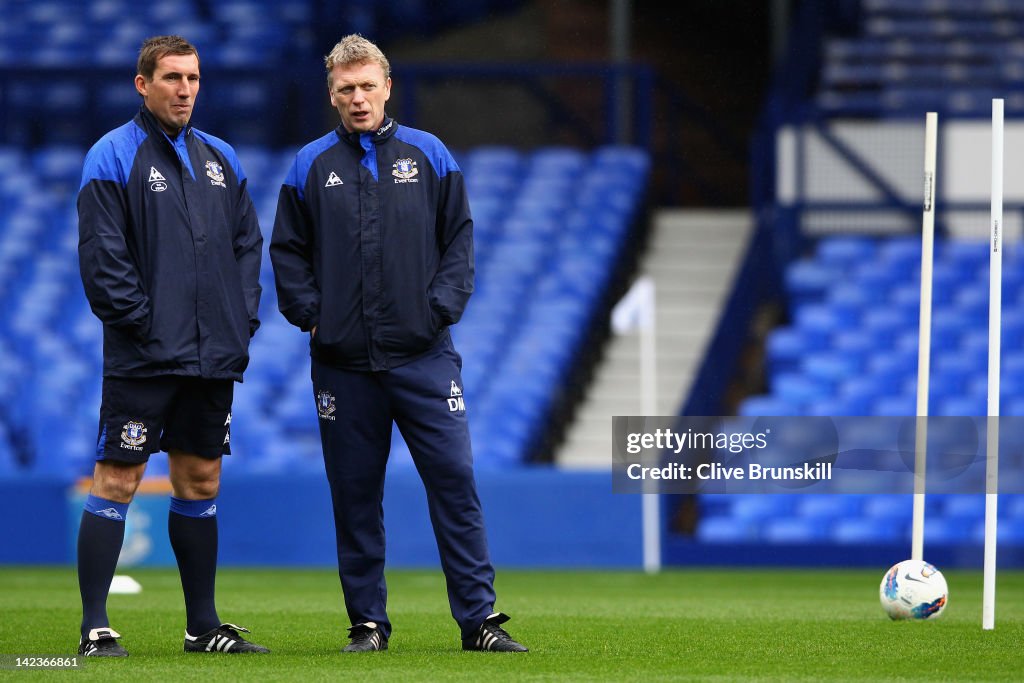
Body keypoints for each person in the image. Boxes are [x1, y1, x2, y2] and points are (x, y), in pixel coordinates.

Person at [270, 34, 527, 654]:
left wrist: (437, 312)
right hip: (343, 365)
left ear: (387, 87)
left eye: (367, 86)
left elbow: (458, 243)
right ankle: (368, 624)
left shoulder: (431, 155)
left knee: (455, 481)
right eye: (345, 89)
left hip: (425, 358)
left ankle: (479, 622)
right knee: (355, 496)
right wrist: (312, 316)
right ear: (331, 96)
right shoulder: (309, 166)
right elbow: (288, 253)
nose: (357, 99)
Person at [76, 35, 267, 657]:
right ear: (143, 84)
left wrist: (240, 323)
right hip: (143, 354)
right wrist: (146, 325)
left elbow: (246, 247)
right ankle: (96, 627)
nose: (185, 89)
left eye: (193, 78)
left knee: (200, 476)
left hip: (212, 354)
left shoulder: (222, 158)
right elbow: (103, 258)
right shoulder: (112, 154)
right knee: (118, 476)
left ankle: (203, 627)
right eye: (172, 78)